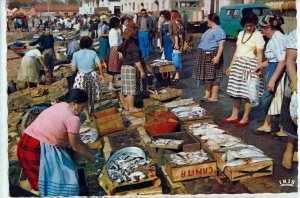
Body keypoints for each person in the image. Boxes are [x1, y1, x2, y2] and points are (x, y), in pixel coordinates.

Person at [17, 89, 97, 196]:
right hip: (38, 149)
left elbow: (77, 141)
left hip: (25, 143)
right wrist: (89, 157)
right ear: (74, 103)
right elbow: (76, 146)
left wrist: (88, 149)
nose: (83, 110)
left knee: (38, 182)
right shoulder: (73, 119)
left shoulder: (60, 105)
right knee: (61, 177)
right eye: (82, 107)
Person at [222, 13, 265, 127]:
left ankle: (245, 118)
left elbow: (260, 54)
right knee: (236, 92)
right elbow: (237, 51)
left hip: (251, 65)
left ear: (255, 24)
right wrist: (231, 65)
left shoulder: (258, 35)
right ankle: (234, 115)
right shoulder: (241, 33)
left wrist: (259, 68)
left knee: (247, 93)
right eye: (246, 25)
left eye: (251, 25)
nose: (249, 28)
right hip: (238, 64)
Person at [253, 15, 286, 135]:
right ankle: (267, 125)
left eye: (262, 28)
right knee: (271, 98)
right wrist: (261, 65)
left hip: (277, 70)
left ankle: (284, 128)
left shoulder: (277, 39)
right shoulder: (275, 38)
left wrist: (273, 79)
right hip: (273, 66)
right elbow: (273, 58)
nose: (261, 31)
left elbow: (282, 60)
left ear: (269, 28)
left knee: (271, 99)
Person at [192, 13, 226, 102]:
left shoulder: (219, 30)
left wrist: (217, 57)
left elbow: (221, 45)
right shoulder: (210, 29)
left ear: (212, 20)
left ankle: (214, 97)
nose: (207, 21)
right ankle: (207, 94)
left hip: (212, 55)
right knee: (207, 76)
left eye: (208, 20)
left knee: (214, 76)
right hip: (204, 55)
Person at [72, 36, 103, 121]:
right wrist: (102, 75)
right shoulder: (93, 53)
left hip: (81, 76)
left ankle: (88, 117)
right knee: (92, 94)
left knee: (82, 97)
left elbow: (73, 69)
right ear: (90, 44)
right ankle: (92, 112)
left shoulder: (76, 54)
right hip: (92, 75)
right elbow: (100, 65)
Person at [279, 30, 298, 169]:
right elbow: (290, 59)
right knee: (293, 115)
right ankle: (289, 149)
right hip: (296, 77)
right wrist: (294, 81)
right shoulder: (296, 33)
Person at [119, 28, 147, 113]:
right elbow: (137, 61)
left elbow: (118, 50)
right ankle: (131, 108)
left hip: (124, 67)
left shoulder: (124, 43)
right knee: (131, 90)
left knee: (127, 89)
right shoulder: (133, 46)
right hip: (131, 68)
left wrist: (121, 55)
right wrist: (142, 71)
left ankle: (127, 106)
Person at [107, 17, 123, 91]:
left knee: (113, 69)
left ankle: (112, 85)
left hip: (114, 50)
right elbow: (116, 44)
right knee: (113, 69)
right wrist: (119, 53)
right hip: (115, 50)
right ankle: (111, 85)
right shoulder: (114, 31)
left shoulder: (115, 30)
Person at [169, 10, 184, 81]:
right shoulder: (181, 21)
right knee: (178, 58)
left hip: (174, 42)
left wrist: (175, 43)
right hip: (181, 41)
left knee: (173, 59)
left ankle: (173, 74)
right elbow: (184, 31)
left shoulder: (172, 22)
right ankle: (176, 74)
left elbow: (173, 33)